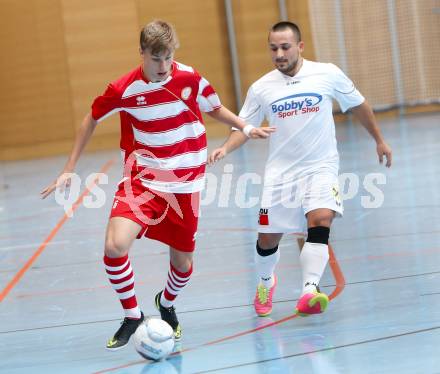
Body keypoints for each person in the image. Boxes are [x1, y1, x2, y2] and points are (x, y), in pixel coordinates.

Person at [41, 20, 274, 350]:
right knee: (114, 246)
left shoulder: (190, 78)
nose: (163, 67)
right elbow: (90, 118)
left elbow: (215, 108)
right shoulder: (123, 89)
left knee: (183, 265)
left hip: (186, 184)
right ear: (141, 54)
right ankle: (133, 315)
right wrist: (69, 168)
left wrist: (245, 127)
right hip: (143, 180)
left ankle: (165, 303)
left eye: (168, 58)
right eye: (155, 59)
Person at [208, 21, 392, 318]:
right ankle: (266, 282)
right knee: (268, 239)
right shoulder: (261, 88)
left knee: (320, 219)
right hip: (280, 174)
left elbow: (359, 105)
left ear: (300, 46)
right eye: (273, 48)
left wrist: (379, 140)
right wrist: (225, 148)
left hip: (320, 166)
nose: (279, 54)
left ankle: (309, 289)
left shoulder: (327, 73)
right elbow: (244, 126)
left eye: (285, 47)